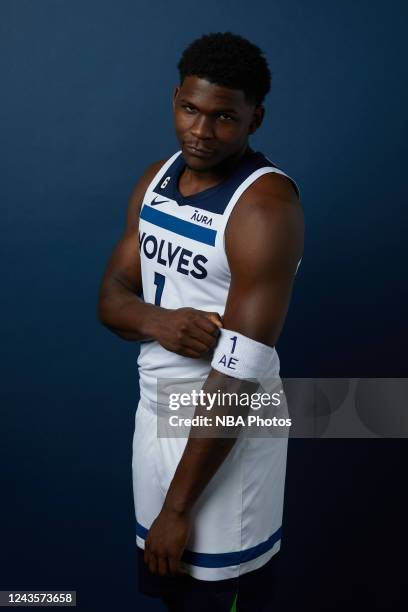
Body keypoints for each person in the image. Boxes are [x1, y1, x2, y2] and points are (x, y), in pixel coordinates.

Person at [98, 31, 304, 612]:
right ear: (175, 99)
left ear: (254, 119)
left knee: (220, 596)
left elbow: (240, 374)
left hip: (229, 423)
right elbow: (109, 299)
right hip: (155, 407)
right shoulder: (156, 180)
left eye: (223, 118)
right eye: (190, 109)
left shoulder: (265, 208)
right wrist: (162, 322)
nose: (201, 130)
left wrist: (179, 506)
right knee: (173, 593)